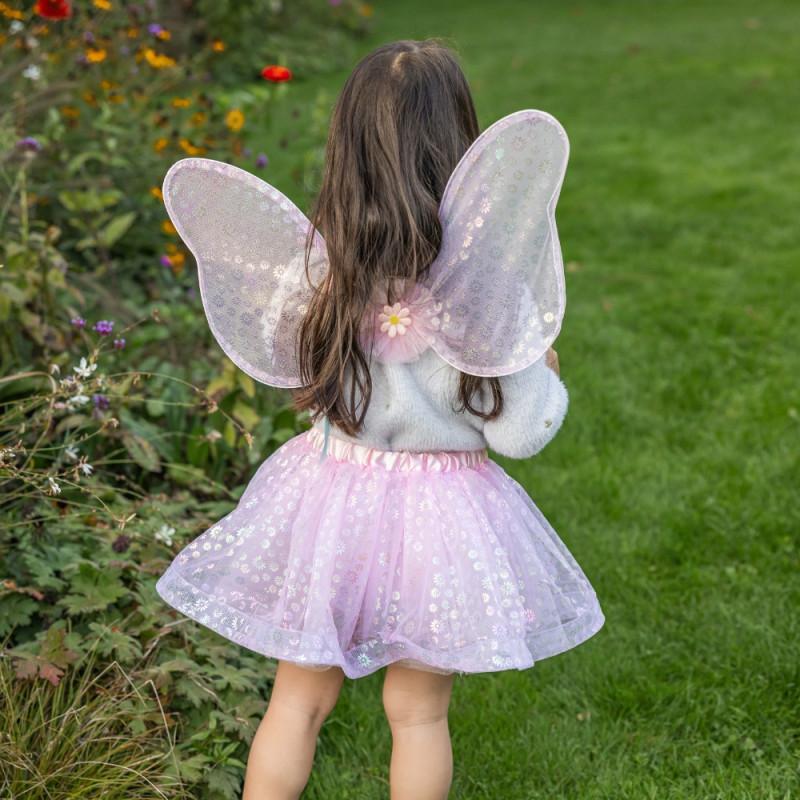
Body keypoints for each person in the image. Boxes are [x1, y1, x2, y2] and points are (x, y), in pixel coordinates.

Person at [156, 38, 604, 800]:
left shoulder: (320, 276)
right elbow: (521, 431)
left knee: (297, 702)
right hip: (442, 522)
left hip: (331, 503)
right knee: (418, 713)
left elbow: (302, 372)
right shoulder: (488, 291)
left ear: (348, 153)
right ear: (462, 148)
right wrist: (548, 375)